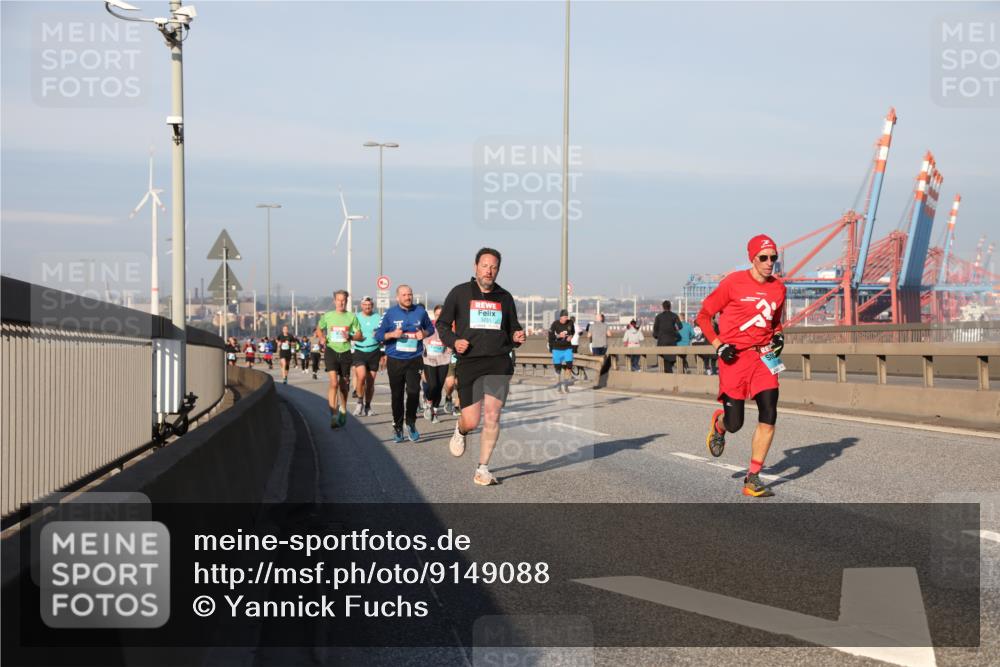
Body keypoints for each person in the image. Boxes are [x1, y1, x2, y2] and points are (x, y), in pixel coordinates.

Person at [697, 234, 786, 498]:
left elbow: (775, 323)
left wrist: (779, 336)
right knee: (736, 423)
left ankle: (753, 478)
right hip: (734, 358)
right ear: (752, 258)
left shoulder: (779, 288)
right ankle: (720, 425)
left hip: (765, 357)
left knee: (769, 413)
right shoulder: (733, 283)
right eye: (764, 258)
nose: (770, 263)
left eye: (773, 258)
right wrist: (718, 344)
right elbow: (703, 316)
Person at [436, 247, 525, 486]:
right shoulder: (459, 293)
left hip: (498, 361)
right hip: (470, 362)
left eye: (494, 267)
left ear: (498, 270)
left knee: (493, 415)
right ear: (476, 266)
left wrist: (517, 335)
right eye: (485, 265)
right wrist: (455, 342)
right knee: (472, 420)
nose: (489, 270)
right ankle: (461, 429)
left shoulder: (504, 297)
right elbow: (442, 325)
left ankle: (482, 468)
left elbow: (513, 326)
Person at [375, 285, 434, 442]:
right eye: (404, 295)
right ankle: (398, 426)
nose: (408, 297)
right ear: (397, 297)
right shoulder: (389, 314)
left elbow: (430, 328)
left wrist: (424, 333)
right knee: (397, 395)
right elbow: (378, 335)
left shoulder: (420, 312)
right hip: (395, 359)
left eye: (410, 294)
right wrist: (393, 334)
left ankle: (411, 423)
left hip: (415, 359)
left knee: (414, 392)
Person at [316, 290, 363, 429]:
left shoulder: (351, 317)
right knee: (334, 383)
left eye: (344, 300)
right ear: (334, 301)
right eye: (339, 300)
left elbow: (359, 335)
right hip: (331, 350)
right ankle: (334, 416)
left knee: (343, 385)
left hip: (345, 352)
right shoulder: (328, 316)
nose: (341, 302)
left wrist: (351, 337)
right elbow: (319, 328)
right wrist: (321, 337)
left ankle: (343, 408)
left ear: (346, 301)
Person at [351, 296, 383, 417]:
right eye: (365, 305)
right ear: (361, 305)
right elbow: (350, 334)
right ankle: (359, 402)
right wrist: (356, 337)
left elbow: (383, 333)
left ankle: (368, 406)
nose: (367, 307)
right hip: (360, 350)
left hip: (374, 351)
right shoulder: (356, 317)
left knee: (370, 382)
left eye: (369, 305)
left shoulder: (378, 317)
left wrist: (379, 336)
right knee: (361, 376)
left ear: (372, 306)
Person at [422, 305, 452, 423]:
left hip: (443, 360)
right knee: (433, 385)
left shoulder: (447, 328)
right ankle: (428, 402)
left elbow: (451, 342)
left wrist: (449, 350)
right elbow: (421, 340)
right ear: (434, 315)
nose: (439, 316)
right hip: (429, 360)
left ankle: (434, 413)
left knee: (439, 387)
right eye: (437, 314)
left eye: (441, 314)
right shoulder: (428, 327)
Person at [548, 309, 575, 393]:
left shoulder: (570, 322)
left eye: (567, 317)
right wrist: (558, 336)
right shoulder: (555, 324)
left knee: (569, 366)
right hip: (557, 349)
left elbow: (572, 332)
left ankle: (566, 384)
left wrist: (571, 336)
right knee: (558, 369)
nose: (565, 319)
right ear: (560, 317)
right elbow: (550, 336)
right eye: (564, 317)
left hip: (567, 348)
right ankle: (559, 385)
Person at [653, 300, 681, 373]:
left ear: (663, 307)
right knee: (670, 360)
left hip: (661, 342)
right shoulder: (674, 315)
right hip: (672, 341)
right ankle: (669, 374)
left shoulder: (658, 317)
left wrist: (657, 336)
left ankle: (668, 376)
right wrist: (674, 330)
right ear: (670, 307)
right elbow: (680, 326)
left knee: (665, 361)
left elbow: (655, 331)